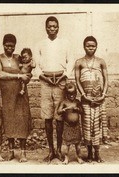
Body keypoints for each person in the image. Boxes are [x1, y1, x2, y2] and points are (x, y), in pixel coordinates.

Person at [34, 16, 74, 163]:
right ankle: (50, 151)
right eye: (49, 26)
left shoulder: (65, 43)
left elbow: (71, 61)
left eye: (54, 26)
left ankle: (58, 150)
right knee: (47, 116)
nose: (52, 28)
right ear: (46, 28)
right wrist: (44, 77)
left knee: (59, 116)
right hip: (45, 81)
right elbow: (36, 66)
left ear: (58, 27)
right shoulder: (39, 44)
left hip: (60, 81)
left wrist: (64, 76)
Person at [0, 34, 32, 163]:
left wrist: (27, 76)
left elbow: (27, 70)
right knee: (9, 120)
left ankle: (22, 152)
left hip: (20, 94)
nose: (9, 48)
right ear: (3, 45)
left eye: (12, 46)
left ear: (15, 46)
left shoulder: (18, 57)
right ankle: (11, 152)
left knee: (22, 120)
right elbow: (0, 74)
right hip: (7, 94)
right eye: (7, 45)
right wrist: (18, 76)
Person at [75, 36, 108, 163]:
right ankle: (89, 153)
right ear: (84, 46)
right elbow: (77, 80)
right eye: (88, 46)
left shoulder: (101, 61)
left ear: (96, 47)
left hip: (99, 98)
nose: (91, 48)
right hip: (86, 99)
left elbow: (106, 79)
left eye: (93, 46)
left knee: (97, 126)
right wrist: (83, 95)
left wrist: (103, 94)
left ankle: (97, 153)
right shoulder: (79, 62)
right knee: (87, 125)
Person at [57, 83, 84, 165]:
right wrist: (65, 109)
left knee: (78, 144)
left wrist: (77, 109)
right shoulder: (64, 102)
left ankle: (79, 157)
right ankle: (66, 158)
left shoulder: (77, 102)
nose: (72, 96)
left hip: (76, 126)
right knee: (66, 144)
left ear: (76, 93)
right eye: (70, 94)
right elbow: (58, 112)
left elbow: (82, 111)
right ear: (66, 94)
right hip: (67, 126)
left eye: (74, 94)